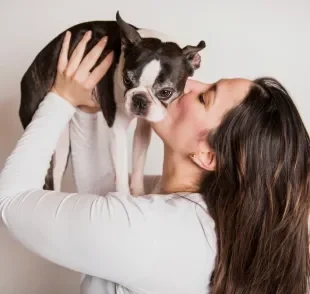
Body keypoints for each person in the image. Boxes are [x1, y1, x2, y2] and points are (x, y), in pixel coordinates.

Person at [0, 30, 309, 294]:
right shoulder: (196, 216)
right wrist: (87, 102)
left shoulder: (150, 230)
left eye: (205, 97)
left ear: (208, 155)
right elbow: (99, 190)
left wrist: (59, 100)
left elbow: (10, 204)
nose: (189, 84)